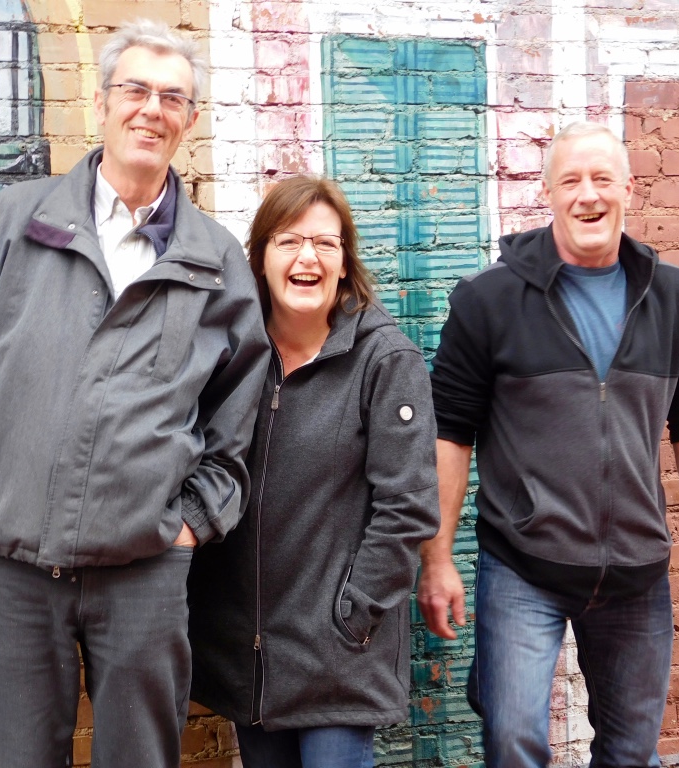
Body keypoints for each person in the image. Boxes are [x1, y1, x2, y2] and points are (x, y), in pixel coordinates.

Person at [0, 19, 269, 768]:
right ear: (100, 103)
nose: (152, 109)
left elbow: (235, 421)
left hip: (143, 575)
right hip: (8, 568)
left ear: (189, 121)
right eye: (135, 90)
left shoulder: (213, 259)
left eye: (172, 97)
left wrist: (191, 525)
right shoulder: (19, 222)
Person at [417, 121, 679, 767]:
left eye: (602, 179)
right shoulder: (488, 300)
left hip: (637, 572)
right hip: (523, 565)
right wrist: (437, 557)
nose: (588, 195)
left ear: (628, 189)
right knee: (514, 742)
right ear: (548, 193)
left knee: (630, 753)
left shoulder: (674, 297)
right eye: (571, 181)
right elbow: (449, 434)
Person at [188, 175, 440, 768]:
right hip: (250, 656)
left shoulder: (385, 360)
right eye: (289, 241)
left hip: (338, 654)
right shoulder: (231, 358)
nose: (308, 257)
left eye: (326, 244)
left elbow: (407, 507)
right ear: (261, 259)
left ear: (345, 262)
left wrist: (355, 613)